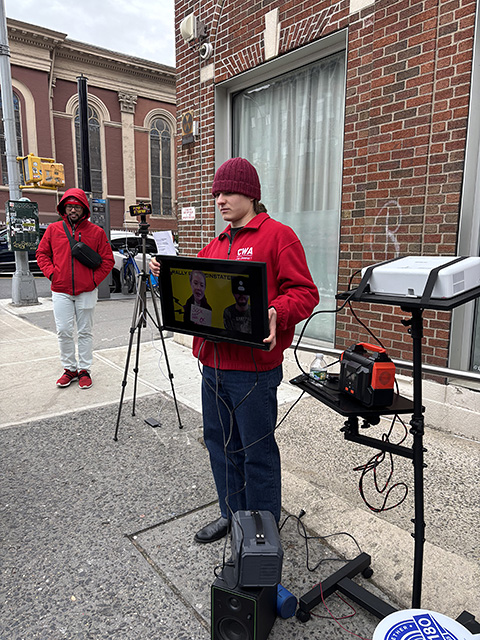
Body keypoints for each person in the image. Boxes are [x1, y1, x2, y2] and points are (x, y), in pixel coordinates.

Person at [150, 157, 318, 543]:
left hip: (253, 371)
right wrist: (166, 274)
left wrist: (277, 311)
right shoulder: (216, 244)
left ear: (250, 193)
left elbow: (306, 293)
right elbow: (197, 291)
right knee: (219, 444)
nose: (219, 200)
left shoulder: (278, 236)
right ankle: (232, 515)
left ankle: (262, 533)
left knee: (256, 451)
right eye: (217, 194)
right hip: (213, 365)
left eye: (227, 192)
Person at [36, 188, 114, 389]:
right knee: (63, 330)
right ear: (63, 208)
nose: (73, 210)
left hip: (86, 290)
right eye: (69, 206)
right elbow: (42, 254)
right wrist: (52, 274)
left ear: (84, 209)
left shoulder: (96, 232)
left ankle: (84, 369)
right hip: (60, 289)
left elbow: (107, 260)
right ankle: (69, 368)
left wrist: (93, 281)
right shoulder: (53, 230)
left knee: (85, 331)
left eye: (77, 207)